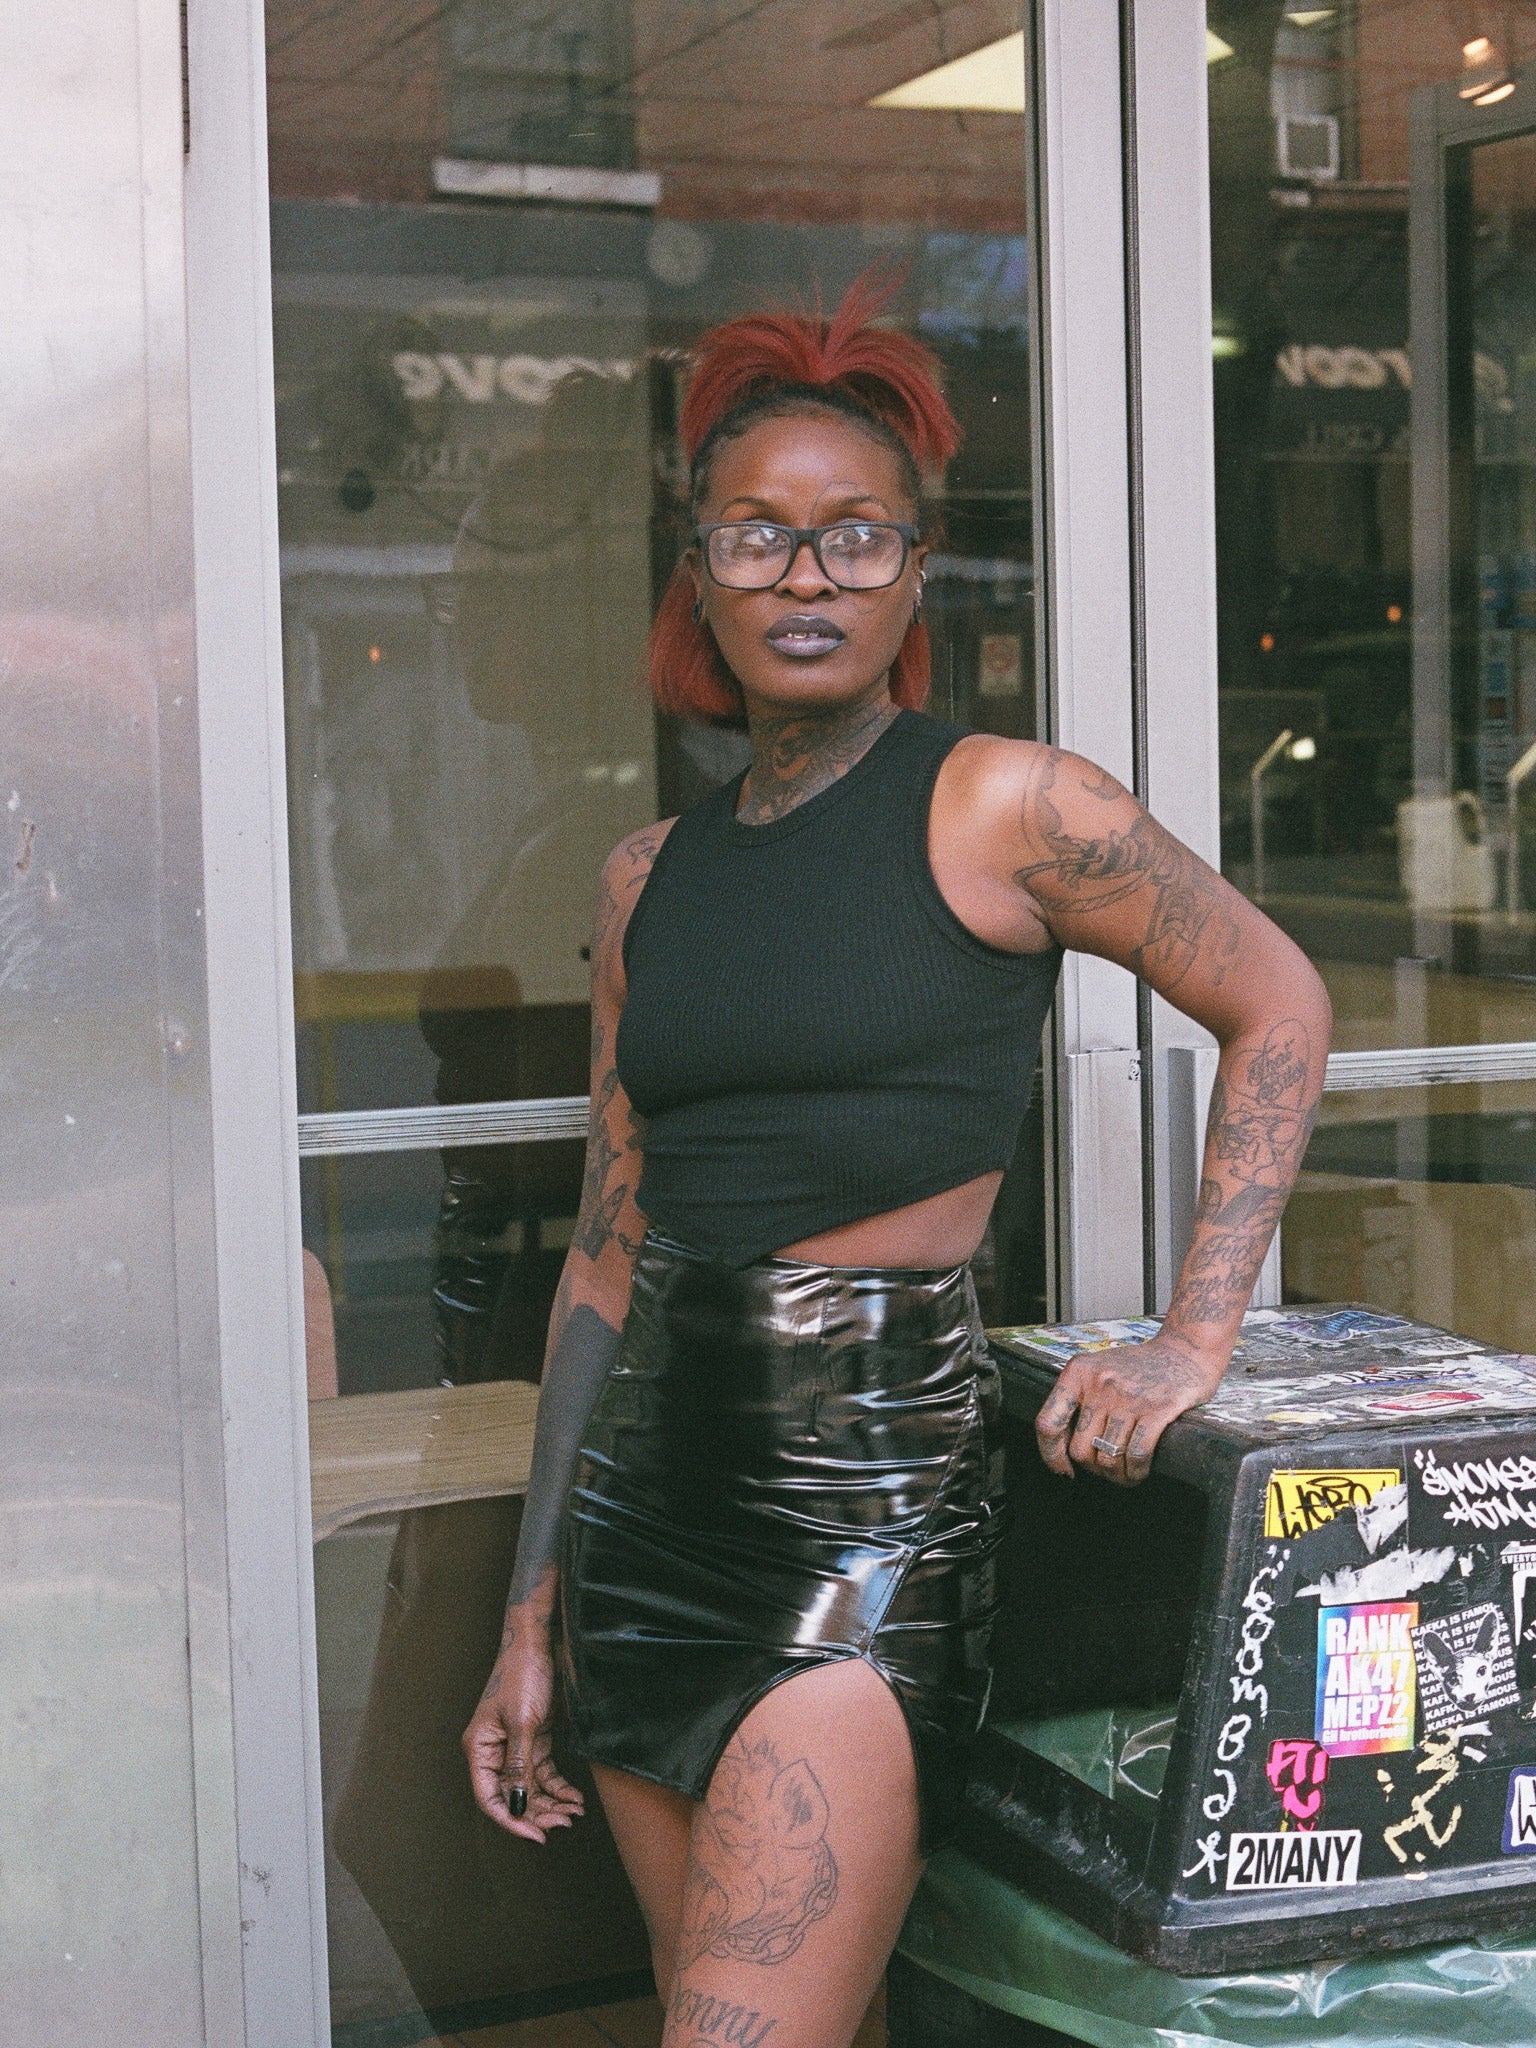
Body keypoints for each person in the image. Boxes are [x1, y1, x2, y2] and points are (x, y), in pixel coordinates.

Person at [464, 275, 1331, 2048]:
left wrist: (1195, 1336)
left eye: (856, 538)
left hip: (863, 1529)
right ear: (697, 569)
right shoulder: (650, 877)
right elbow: (607, 1261)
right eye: (760, 536)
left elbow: (1280, 1003)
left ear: (917, 571)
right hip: (642, 1529)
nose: (807, 576)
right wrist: (531, 1605)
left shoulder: (1012, 805)